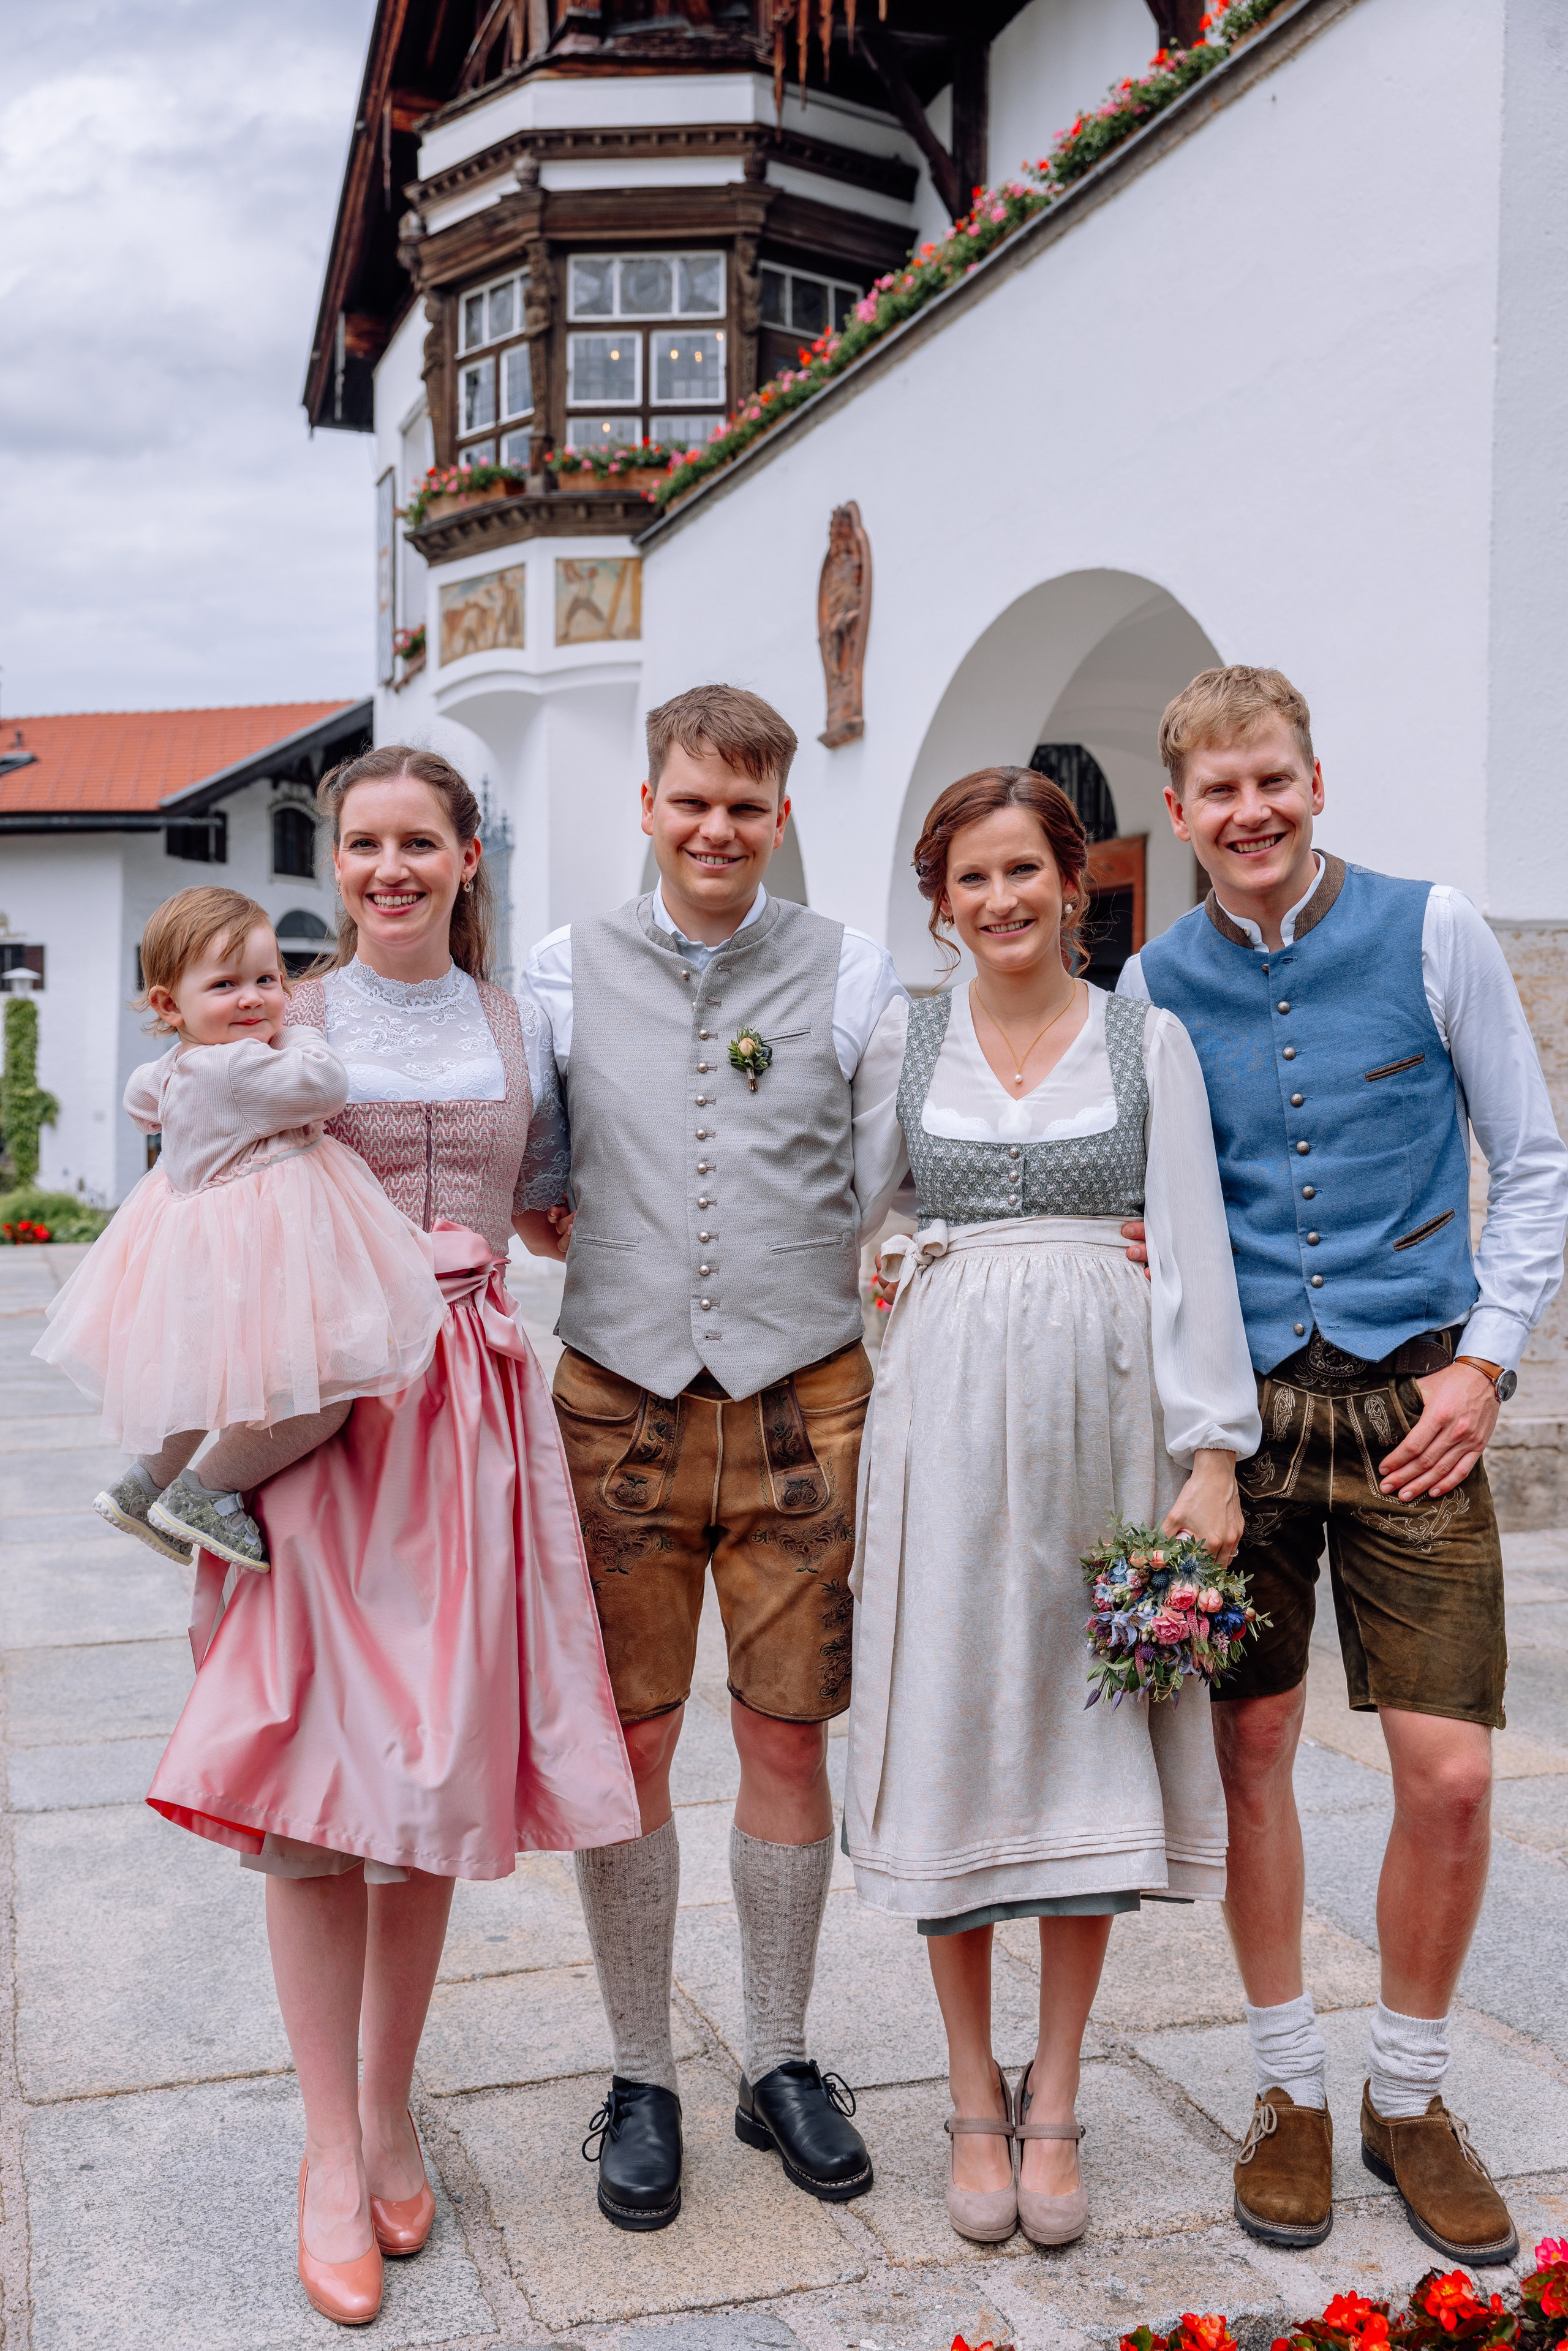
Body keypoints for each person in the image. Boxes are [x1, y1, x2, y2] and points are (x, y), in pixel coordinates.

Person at [145, 748, 639, 2328]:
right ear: (340, 861)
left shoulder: (521, 1024)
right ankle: (319, 2149)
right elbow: (190, 1163)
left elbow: (551, 1196)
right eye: (363, 843)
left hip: (473, 1422)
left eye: (418, 840)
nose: (388, 866)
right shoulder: (284, 1018)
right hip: (322, 1414)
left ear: (469, 854)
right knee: (307, 1791)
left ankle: (385, 2106)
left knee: (425, 1781)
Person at [1119, 665, 1568, 2266]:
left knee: (1447, 1771)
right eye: (1217, 790)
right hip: (1243, 1434)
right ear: (1177, 813)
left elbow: (1535, 1158)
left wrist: (1486, 1356)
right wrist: (1190, 1437)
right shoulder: (1153, 984)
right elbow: (1154, 1214)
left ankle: (1416, 2090)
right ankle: (1290, 2085)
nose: (1249, 812)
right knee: (1250, 1759)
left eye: (1274, 781)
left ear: (1316, 781)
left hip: (1414, 1411)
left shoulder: (1431, 927)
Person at [843, 764, 1260, 2246]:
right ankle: (969, 2093)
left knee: (1092, 1747)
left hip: (1106, 1423)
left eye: (1024, 871)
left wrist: (1209, 1455)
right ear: (939, 900)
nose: (1001, 900)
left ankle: (1060, 2086)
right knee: (959, 1733)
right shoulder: (902, 1035)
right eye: (971, 878)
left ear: (1069, 881)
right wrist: (905, 1274)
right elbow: (861, 1214)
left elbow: (1197, 1248)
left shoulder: (1149, 1041)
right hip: (944, 1431)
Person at [521, 682, 906, 2232]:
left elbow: (879, 1172)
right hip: (614, 1403)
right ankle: (636, 2070)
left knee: (789, 1736)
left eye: (744, 806)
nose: (715, 829)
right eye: (690, 801)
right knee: (624, 1745)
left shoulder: (850, 969)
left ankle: (779, 2054)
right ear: (647, 804)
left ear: (780, 815)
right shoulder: (557, 970)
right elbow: (530, 1161)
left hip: (799, 1404)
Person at [34, 886, 445, 1574]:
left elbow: (140, 1100)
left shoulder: (173, 1066)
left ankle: (142, 1488)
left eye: (268, 980)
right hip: (264, 1257)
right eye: (226, 985)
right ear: (169, 1005)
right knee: (318, 1402)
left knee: (204, 1385)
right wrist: (303, 1032)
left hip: (201, 1255)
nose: (254, 999)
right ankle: (206, 1492)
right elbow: (325, 1084)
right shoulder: (245, 1065)